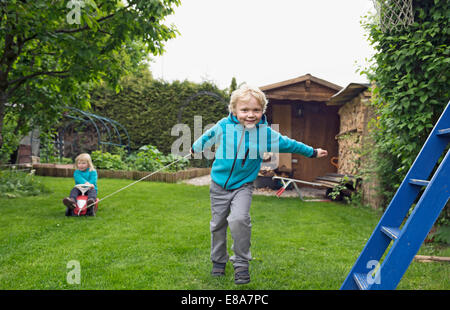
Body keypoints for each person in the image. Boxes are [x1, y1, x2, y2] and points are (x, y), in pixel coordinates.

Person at [191, 84, 328, 285]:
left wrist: (312, 152)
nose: (250, 115)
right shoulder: (224, 126)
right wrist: (196, 148)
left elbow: (290, 144)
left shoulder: (266, 134)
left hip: (243, 186)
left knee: (239, 220)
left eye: (256, 110)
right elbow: (208, 137)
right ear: (234, 110)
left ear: (262, 111)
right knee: (217, 224)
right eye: (244, 110)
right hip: (219, 185)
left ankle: (241, 265)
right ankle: (218, 262)